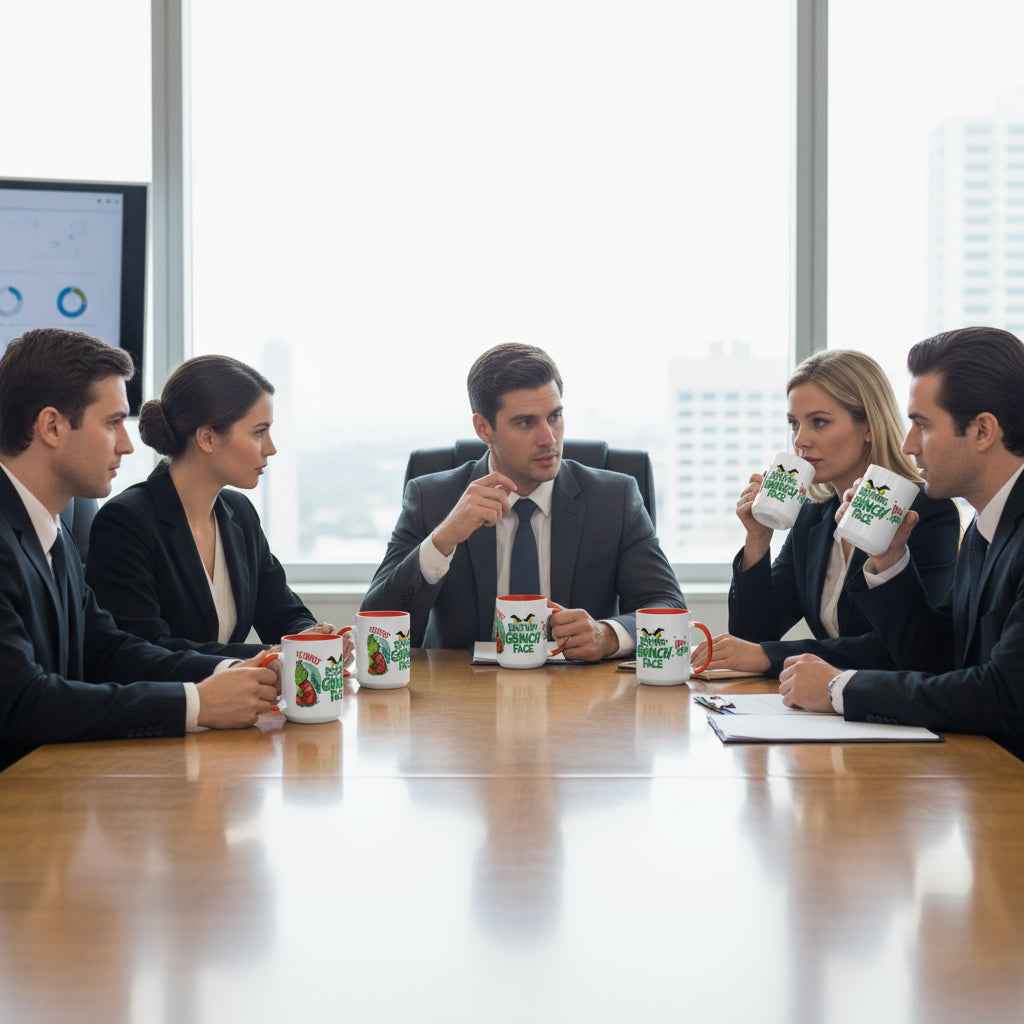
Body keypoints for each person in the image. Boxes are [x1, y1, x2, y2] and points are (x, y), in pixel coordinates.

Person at [0, 329, 280, 771]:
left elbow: (108, 649)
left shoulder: (52, 532)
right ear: (52, 426)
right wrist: (195, 704)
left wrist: (227, 673)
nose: (128, 444)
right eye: (112, 422)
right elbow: (21, 700)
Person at [778, 327, 1024, 759]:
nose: (909, 445)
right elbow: (939, 659)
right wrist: (889, 561)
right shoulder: (985, 529)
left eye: (922, 425)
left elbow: (1002, 694)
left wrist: (840, 687)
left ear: (983, 430)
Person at [362, 343, 683, 658]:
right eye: (525, 422)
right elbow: (376, 626)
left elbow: (668, 606)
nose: (549, 438)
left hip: (580, 695)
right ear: (484, 428)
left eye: (555, 417)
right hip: (462, 696)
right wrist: (442, 540)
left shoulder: (614, 498)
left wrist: (608, 635)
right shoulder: (433, 498)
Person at [693, 349, 959, 677]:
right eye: (794, 424)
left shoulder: (922, 511)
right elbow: (754, 634)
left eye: (819, 422)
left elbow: (904, 648)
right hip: (827, 708)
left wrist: (771, 657)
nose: (800, 441)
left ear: (869, 427)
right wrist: (758, 540)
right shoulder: (813, 516)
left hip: (889, 708)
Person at [86, 354, 352, 664]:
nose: (271, 448)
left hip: (232, 708)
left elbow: (281, 611)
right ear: (208, 438)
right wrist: (270, 655)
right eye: (258, 432)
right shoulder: (126, 522)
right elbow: (146, 649)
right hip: (168, 708)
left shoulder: (239, 513)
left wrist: (312, 637)